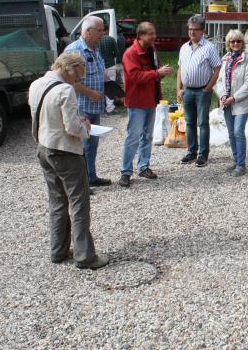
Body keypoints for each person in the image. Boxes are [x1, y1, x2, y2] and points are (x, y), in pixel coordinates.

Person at [29, 52, 109, 270]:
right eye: (77, 77)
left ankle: (59, 251)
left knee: (57, 202)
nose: (77, 81)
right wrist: (86, 127)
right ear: (70, 69)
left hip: (44, 148)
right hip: (65, 152)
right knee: (79, 203)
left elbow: (41, 115)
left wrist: (76, 122)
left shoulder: (36, 84)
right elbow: (72, 128)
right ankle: (85, 257)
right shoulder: (65, 90)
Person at [118, 22, 173, 187]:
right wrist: (156, 73)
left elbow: (155, 72)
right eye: (150, 33)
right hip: (137, 102)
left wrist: (161, 72)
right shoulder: (131, 54)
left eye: (154, 33)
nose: (154, 36)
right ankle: (125, 172)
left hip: (151, 100)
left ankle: (143, 166)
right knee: (133, 137)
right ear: (140, 35)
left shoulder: (152, 50)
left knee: (147, 136)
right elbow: (135, 77)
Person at [63, 16, 111, 187]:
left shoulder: (95, 49)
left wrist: (112, 88)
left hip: (95, 106)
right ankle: (81, 182)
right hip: (82, 106)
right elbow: (70, 81)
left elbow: (100, 73)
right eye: (100, 30)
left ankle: (90, 177)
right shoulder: (74, 51)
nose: (103, 34)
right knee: (81, 146)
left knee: (92, 144)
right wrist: (90, 92)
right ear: (88, 32)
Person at [176, 14, 221, 167]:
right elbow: (180, 69)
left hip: (202, 91)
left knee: (202, 123)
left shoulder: (209, 47)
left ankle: (203, 154)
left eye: (195, 30)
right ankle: (191, 151)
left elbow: (217, 69)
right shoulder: (184, 48)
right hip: (187, 91)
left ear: (202, 31)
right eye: (190, 29)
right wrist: (179, 88)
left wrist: (208, 88)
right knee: (189, 123)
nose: (192, 33)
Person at [215, 30, 248, 177]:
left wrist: (234, 97)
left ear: (242, 43)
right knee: (231, 133)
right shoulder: (225, 59)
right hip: (227, 101)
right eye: (232, 41)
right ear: (228, 43)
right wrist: (223, 95)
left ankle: (241, 165)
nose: (235, 44)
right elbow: (220, 81)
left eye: (238, 41)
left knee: (238, 131)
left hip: (242, 102)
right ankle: (236, 160)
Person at [98, 26, 119, 114]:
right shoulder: (111, 39)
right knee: (110, 86)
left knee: (100, 87)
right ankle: (110, 108)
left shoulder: (96, 40)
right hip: (110, 65)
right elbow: (117, 53)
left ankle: (101, 107)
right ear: (106, 30)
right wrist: (111, 57)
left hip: (99, 66)